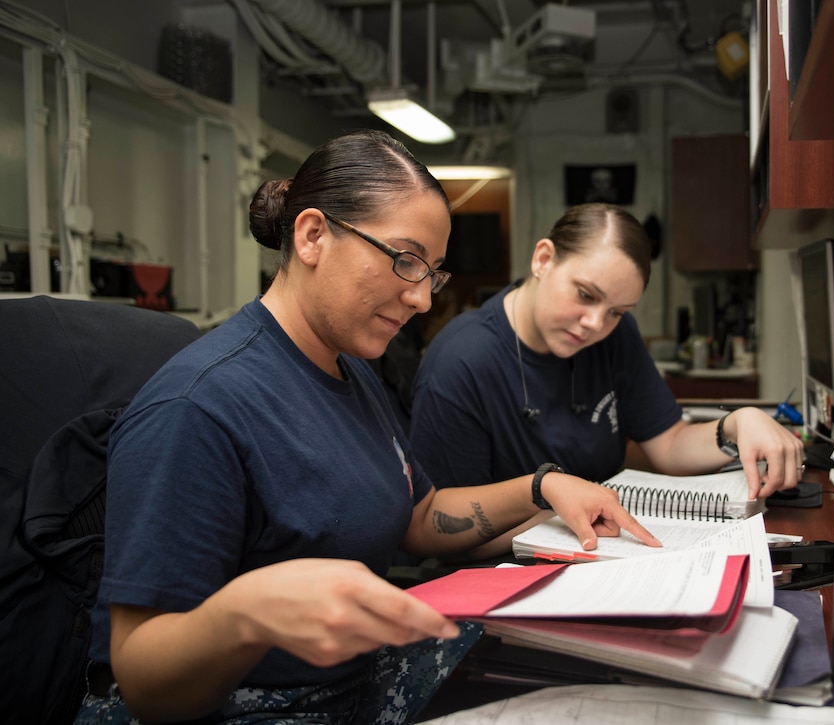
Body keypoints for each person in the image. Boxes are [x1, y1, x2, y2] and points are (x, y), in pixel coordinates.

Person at [74, 131, 658, 724]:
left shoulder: (349, 367)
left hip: (348, 684)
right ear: (311, 237)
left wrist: (542, 486)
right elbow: (141, 678)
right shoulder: (197, 407)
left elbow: (420, 515)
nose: (423, 298)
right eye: (405, 260)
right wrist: (245, 614)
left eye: (432, 272)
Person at [410, 202, 804, 556]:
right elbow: (439, 534)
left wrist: (737, 423)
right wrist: (550, 514)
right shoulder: (461, 361)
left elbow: (668, 445)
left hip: (599, 550)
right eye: (585, 295)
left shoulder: (616, 335)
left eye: (617, 311)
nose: (595, 324)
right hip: (506, 573)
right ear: (543, 260)